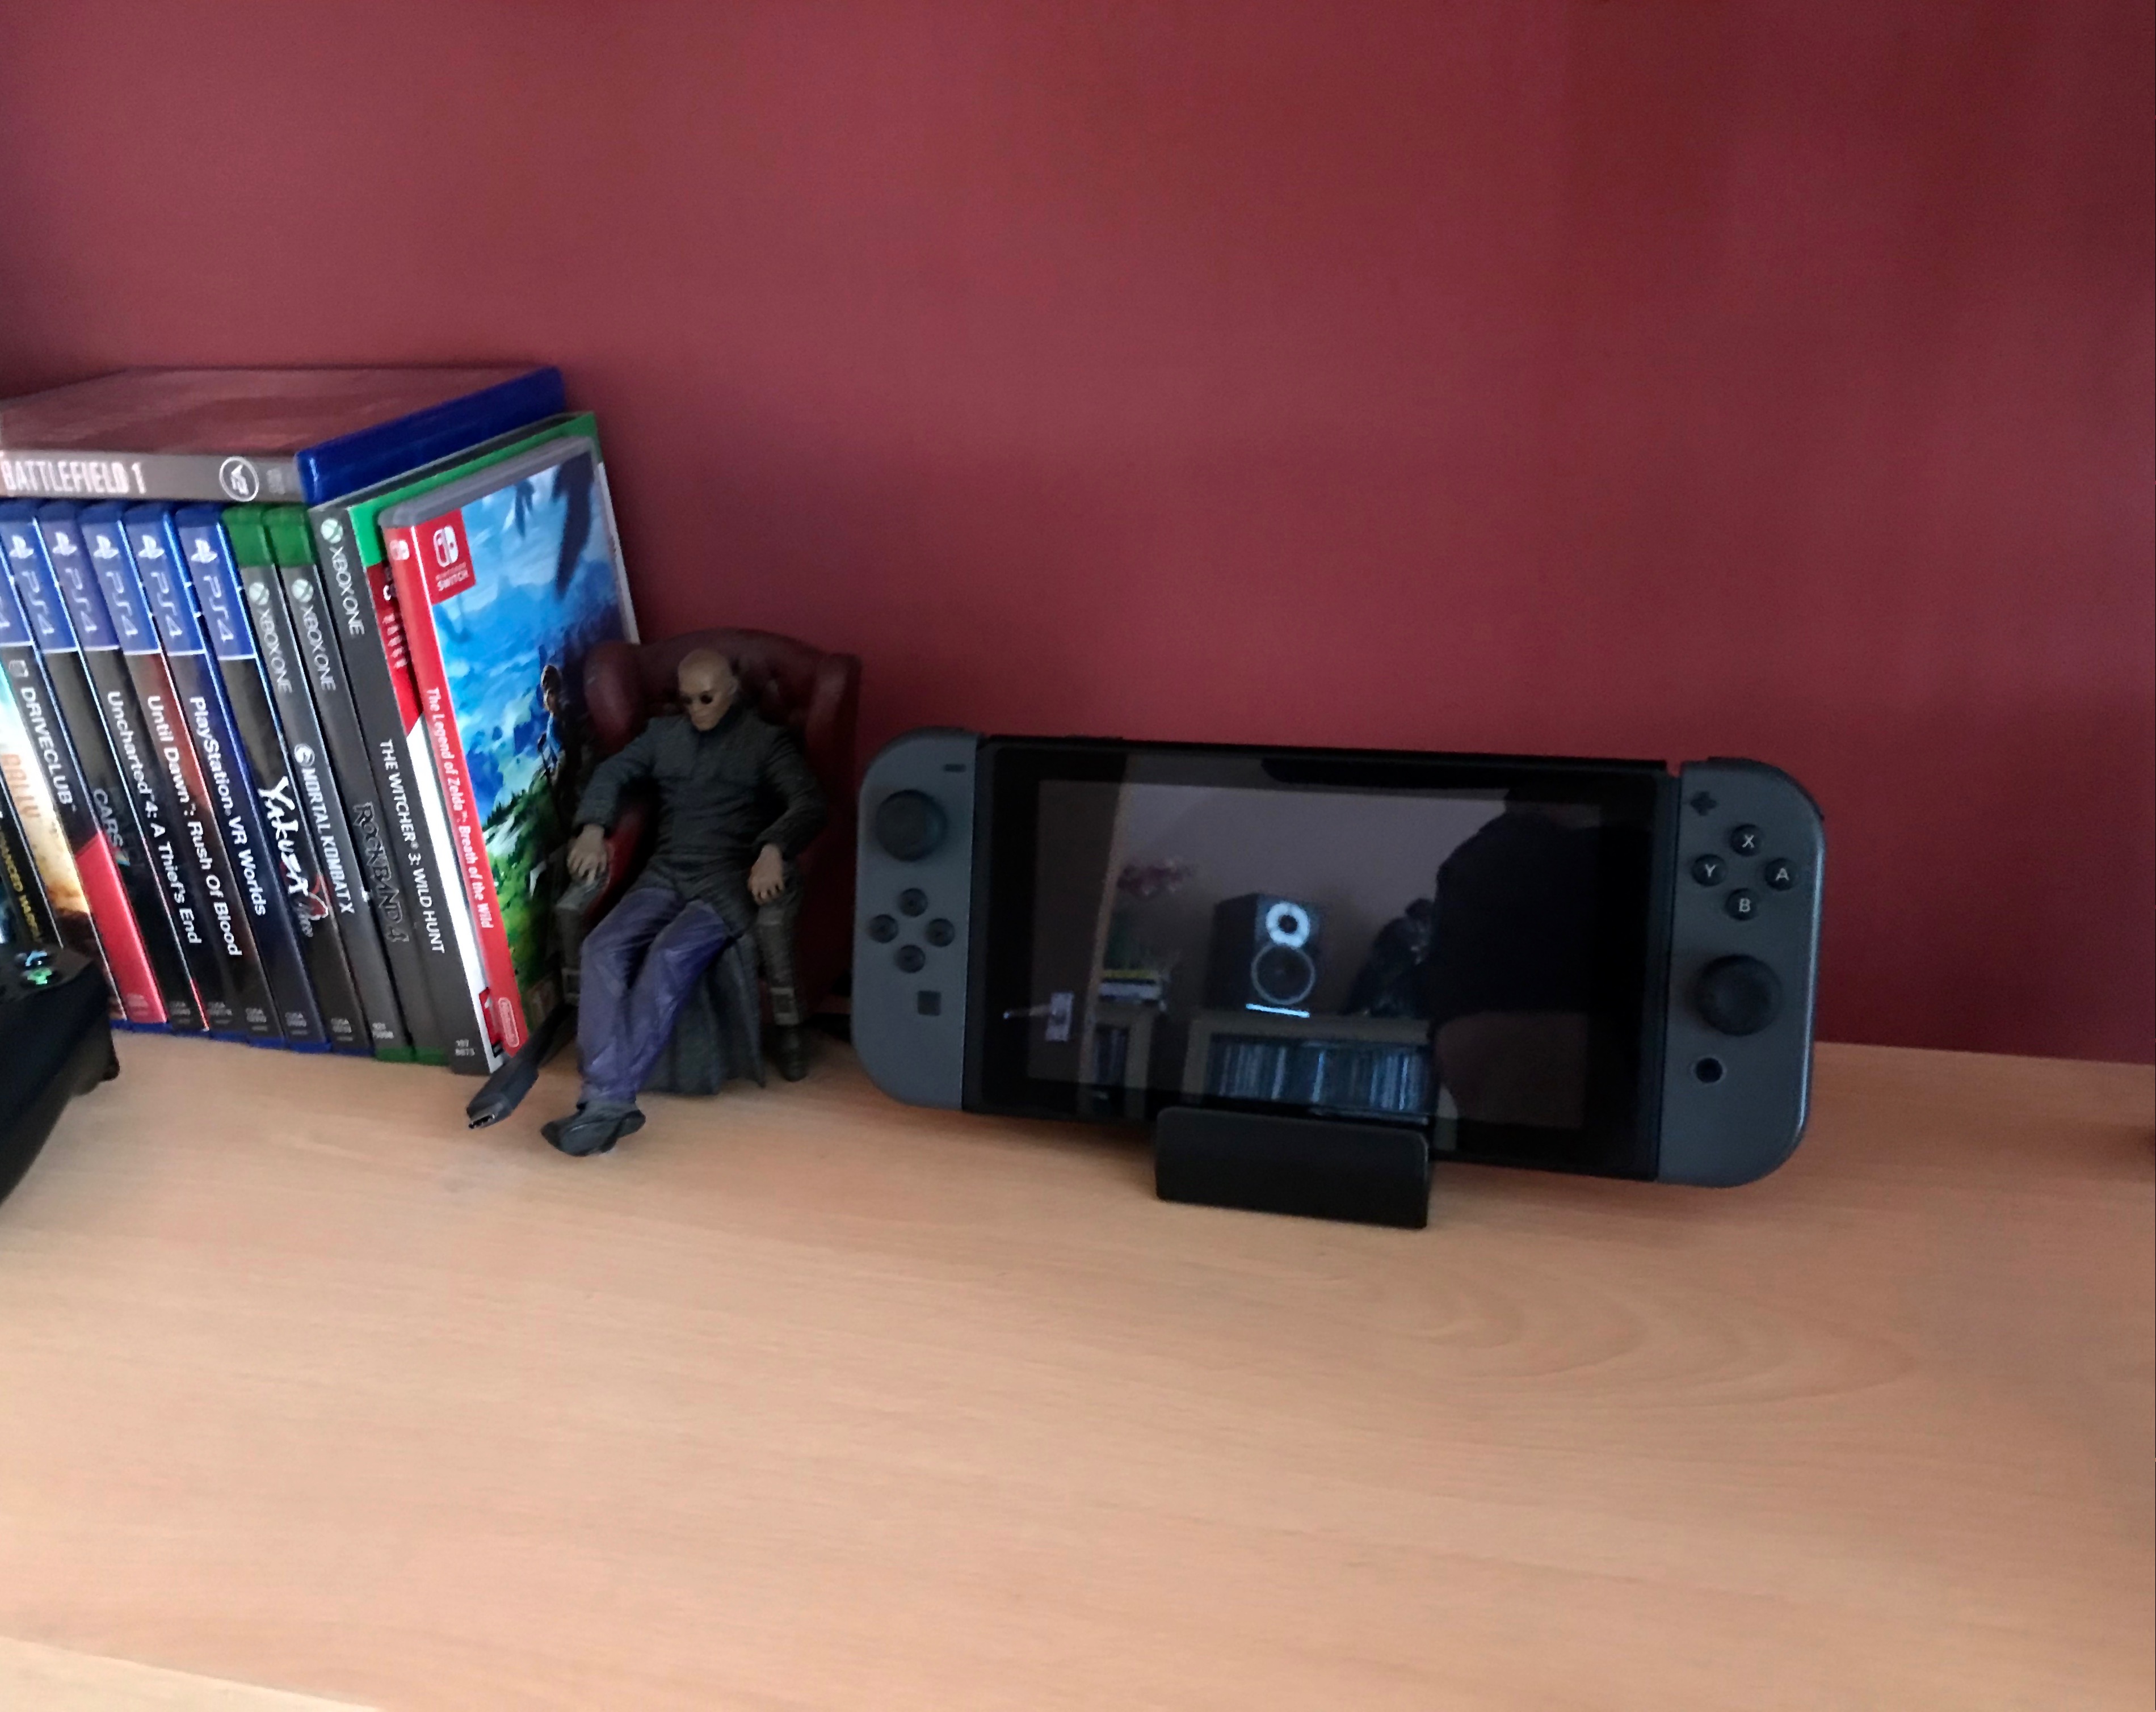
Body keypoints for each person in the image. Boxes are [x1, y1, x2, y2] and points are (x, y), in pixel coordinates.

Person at [544, 648, 826, 1155]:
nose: (696, 709)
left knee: (669, 955)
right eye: (687, 700)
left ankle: (605, 1100)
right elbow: (613, 772)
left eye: (706, 698)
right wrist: (593, 828)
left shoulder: (765, 743)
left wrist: (773, 847)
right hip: (666, 871)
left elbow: (808, 801)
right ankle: (608, 1103)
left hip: (726, 879)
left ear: (732, 689)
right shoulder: (663, 736)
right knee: (601, 948)